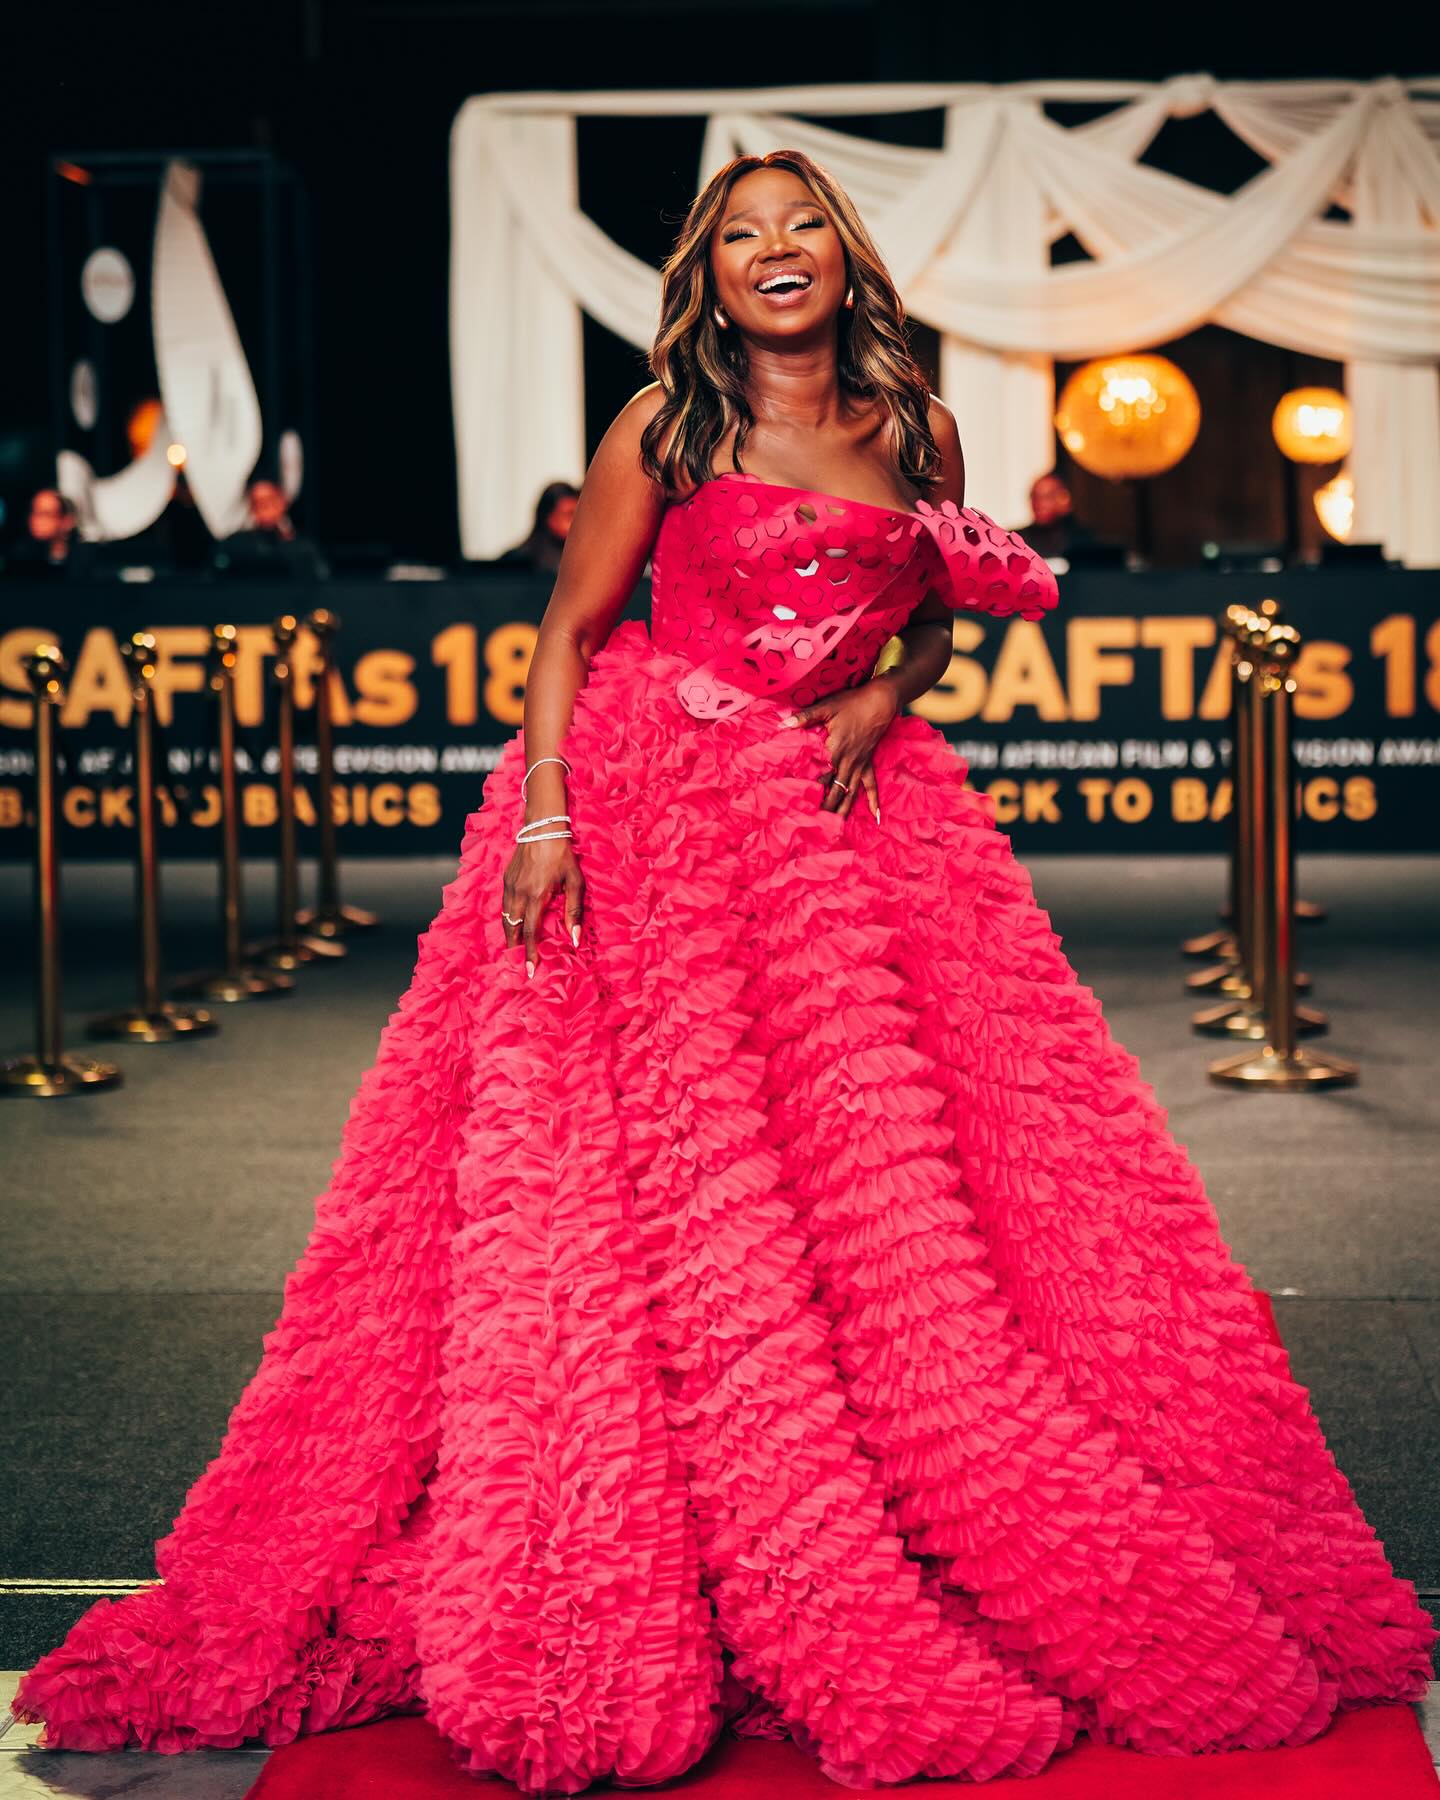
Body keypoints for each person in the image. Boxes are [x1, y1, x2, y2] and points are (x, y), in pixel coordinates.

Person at [10, 151, 1433, 1793]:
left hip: (850, 824)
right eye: (743, 234)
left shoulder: (919, 427)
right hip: (661, 820)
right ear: (709, 273)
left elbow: (936, 616)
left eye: (801, 226)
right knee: (678, 1205)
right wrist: (547, 820)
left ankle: (880, 1476)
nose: (775, 252)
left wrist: (886, 693)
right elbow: (567, 633)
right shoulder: (667, 427)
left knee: (908, 1192)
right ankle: (680, 1529)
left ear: (845, 256)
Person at [212, 478, 327, 579]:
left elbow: (321, 578)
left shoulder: (303, 548)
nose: (266, 507)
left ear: (282, 502)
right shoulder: (235, 545)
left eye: (271, 500)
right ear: (251, 507)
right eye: (258, 502)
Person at [493, 478, 579, 573]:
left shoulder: (578, 559)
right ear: (548, 517)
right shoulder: (515, 561)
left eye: (579, 516)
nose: (576, 523)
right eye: (570, 515)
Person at [1020, 468, 1102, 561]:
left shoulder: (1085, 541)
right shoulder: (1017, 542)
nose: (1039, 503)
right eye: (1034, 496)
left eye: (1047, 497)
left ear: (1065, 500)